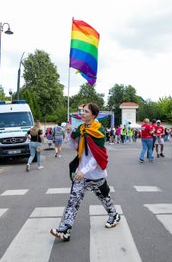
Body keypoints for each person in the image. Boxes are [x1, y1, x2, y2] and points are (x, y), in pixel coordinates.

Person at [50, 103, 120, 242]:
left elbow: (97, 156)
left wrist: (84, 170)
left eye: (85, 111)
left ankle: (114, 214)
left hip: (95, 173)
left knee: (104, 198)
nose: (82, 113)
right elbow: (74, 146)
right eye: (82, 111)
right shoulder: (82, 128)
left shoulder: (99, 130)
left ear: (93, 115)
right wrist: (70, 133)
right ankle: (65, 229)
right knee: (73, 200)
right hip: (81, 173)